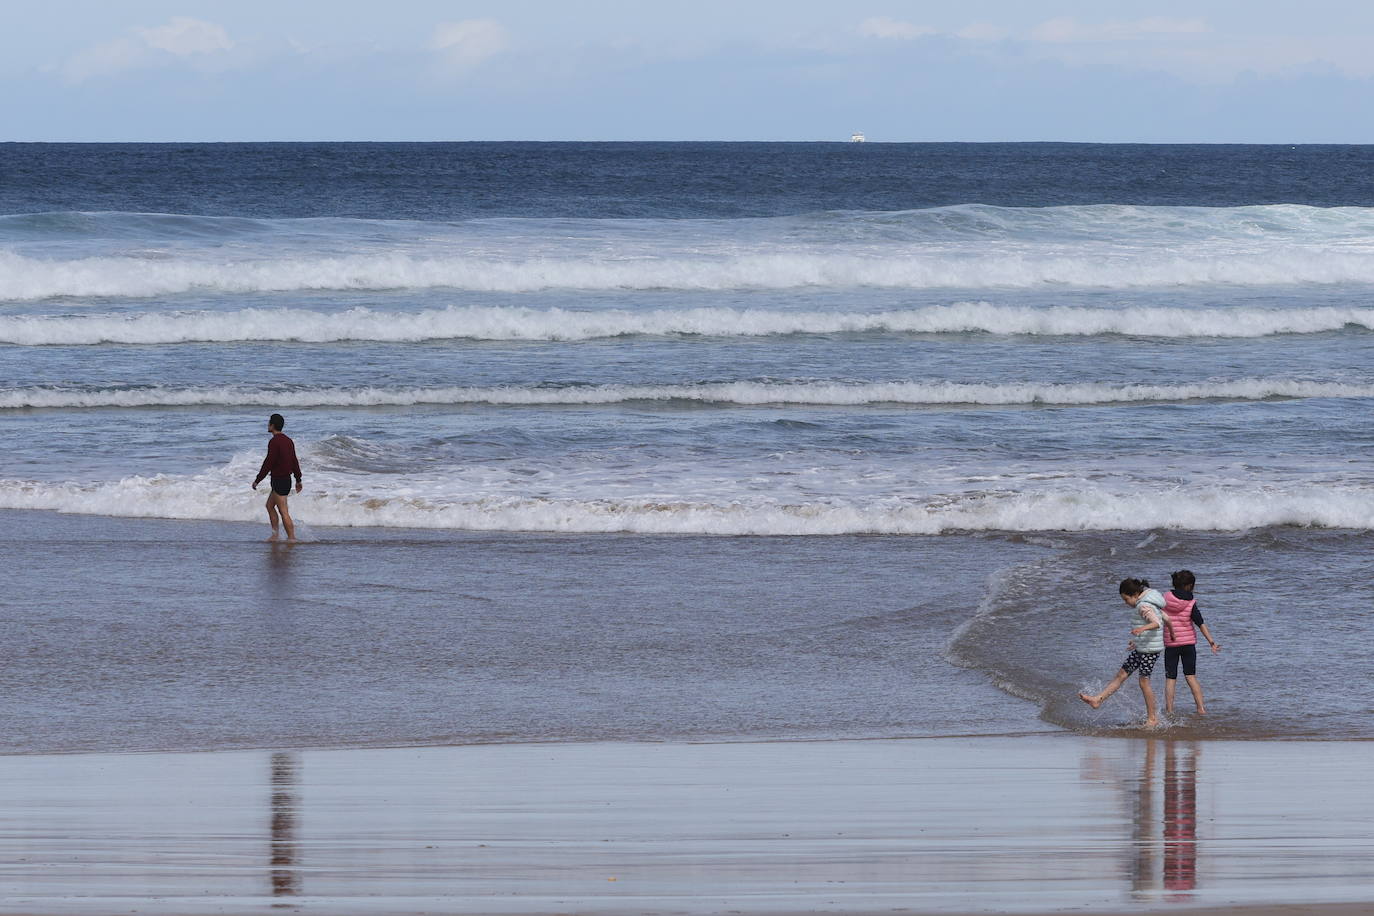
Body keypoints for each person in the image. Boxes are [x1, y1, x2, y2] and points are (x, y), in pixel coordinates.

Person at [1078, 578, 1166, 728]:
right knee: (1121, 674)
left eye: (1126, 599)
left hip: (1149, 651)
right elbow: (1165, 619)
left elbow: (1156, 623)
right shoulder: (1146, 602)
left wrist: (1141, 630)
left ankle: (1152, 718)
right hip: (1142, 647)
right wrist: (1137, 640)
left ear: (1135, 594)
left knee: (1144, 682)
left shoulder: (1144, 605)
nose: (1126, 603)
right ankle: (1097, 699)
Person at [1160, 569, 1221, 716]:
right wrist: (1211, 642)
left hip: (1171, 645)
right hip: (1188, 645)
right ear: (1189, 586)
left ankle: (1169, 711)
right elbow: (1200, 623)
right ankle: (1201, 709)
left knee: (1170, 678)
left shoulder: (1164, 599)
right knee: (1191, 676)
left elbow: (1155, 617)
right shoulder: (1190, 603)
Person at [251, 413, 303, 541]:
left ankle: (292, 538)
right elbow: (294, 461)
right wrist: (298, 479)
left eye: (269, 422)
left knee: (283, 511)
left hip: (279, 480)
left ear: (273, 425)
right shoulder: (288, 440)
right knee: (269, 506)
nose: (267, 425)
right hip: (285, 480)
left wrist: (258, 480)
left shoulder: (274, 442)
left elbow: (268, 462)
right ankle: (275, 535)